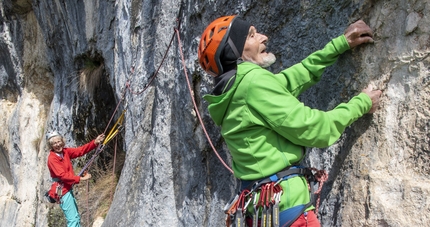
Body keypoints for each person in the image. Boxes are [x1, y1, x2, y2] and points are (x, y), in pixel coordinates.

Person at [198, 15, 382, 227]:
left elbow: (293, 79)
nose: (263, 37)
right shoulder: (253, 83)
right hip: (288, 212)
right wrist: (362, 103)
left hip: (260, 212)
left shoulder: (234, 91)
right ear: (234, 51)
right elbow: (315, 129)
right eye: (251, 35)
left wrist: (339, 45)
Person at [46, 131, 105, 227]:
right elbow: (62, 176)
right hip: (62, 190)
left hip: (66, 188)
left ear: (62, 141)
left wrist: (95, 142)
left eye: (59, 141)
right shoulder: (52, 159)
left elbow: (80, 151)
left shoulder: (64, 152)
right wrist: (80, 179)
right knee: (73, 219)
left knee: (75, 218)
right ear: (51, 146)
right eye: (54, 143)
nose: (58, 144)